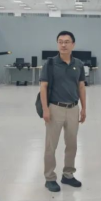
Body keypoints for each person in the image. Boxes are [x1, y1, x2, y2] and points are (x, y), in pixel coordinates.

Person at [40, 31, 87, 192]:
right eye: (60, 42)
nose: (63, 45)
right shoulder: (50, 64)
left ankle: (68, 174)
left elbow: (81, 86)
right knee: (51, 145)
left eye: (67, 42)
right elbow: (43, 87)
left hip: (73, 108)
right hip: (55, 108)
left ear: (73, 44)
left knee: (72, 144)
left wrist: (84, 108)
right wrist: (45, 109)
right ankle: (49, 178)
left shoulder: (78, 64)